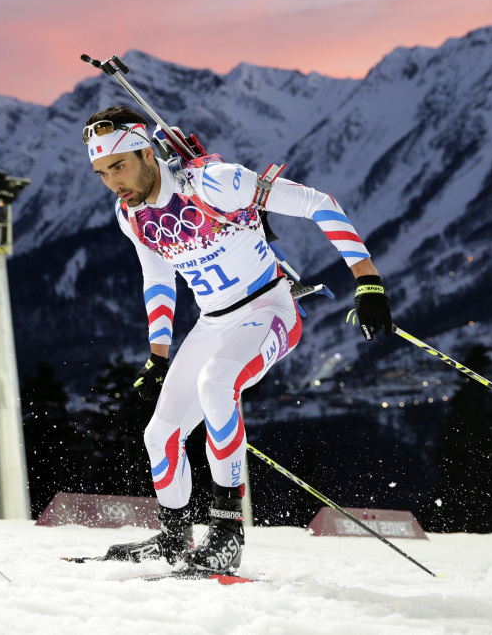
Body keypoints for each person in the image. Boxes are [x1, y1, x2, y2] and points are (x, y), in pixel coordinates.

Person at [82, 106, 392, 574]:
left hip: (268, 311)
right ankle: (174, 538)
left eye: (119, 166)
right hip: (212, 323)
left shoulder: (215, 182)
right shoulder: (132, 214)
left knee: (216, 382)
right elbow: (158, 279)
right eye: (101, 172)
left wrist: (368, 282)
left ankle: (226, 532)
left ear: (147, 152)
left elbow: (318, 202)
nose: (112, 182)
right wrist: (159, 355)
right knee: (159, 434)